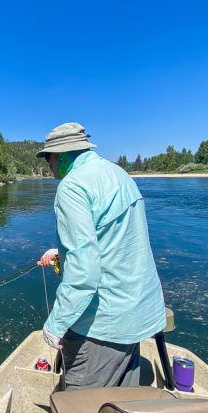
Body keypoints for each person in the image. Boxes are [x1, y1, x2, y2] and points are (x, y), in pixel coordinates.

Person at [36, 122, 166, 390]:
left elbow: (84, 275)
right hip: (135, 313)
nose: (48, 164)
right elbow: (115, 240)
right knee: (118, 404)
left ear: (61, 155)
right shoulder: (118, 174)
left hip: (102, 325)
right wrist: (62, 252)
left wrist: (56, 325)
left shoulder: (72, 187)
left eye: (48, 156)